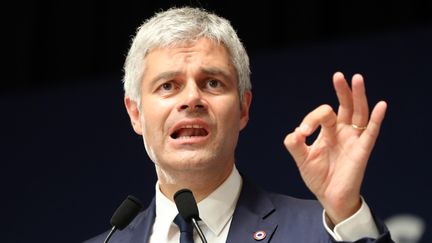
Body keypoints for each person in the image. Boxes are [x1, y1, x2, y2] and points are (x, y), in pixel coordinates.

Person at [84, 6, 393, 243]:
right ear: (135, 113)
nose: (192, 98)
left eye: (213, 83)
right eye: (168, 86)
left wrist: (348, 215)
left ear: (243, 108)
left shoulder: (321, 230)